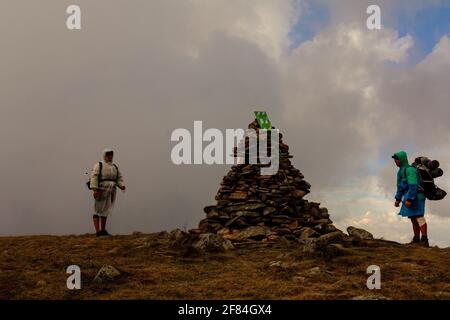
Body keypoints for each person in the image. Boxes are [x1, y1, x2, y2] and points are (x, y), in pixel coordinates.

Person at [392, 150, 429, 247]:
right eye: (395, 159)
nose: (395, 161)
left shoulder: (410, 170)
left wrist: (409, 199)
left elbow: (413, 185)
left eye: (397, 159)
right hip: (410, 196)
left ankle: (424, 240)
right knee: (413, 218)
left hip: (417, 197)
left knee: (419, 217)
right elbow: (400, 187)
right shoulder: (400, 171)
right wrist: (398, 199)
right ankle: (416, 239)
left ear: (402, 159)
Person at [90, 149, 126, 237]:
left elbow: (118, 177)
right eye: (108, 155)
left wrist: (121, 185)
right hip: (101, 189)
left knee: (106, 209)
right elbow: (94, 177)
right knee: (98, 209)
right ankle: (98, 231)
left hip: (111, 190)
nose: (110, 157)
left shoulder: (114, 167)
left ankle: (103, 230)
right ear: (104, 156)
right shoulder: (99, 165)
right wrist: (95, 189)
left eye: (111, 155)